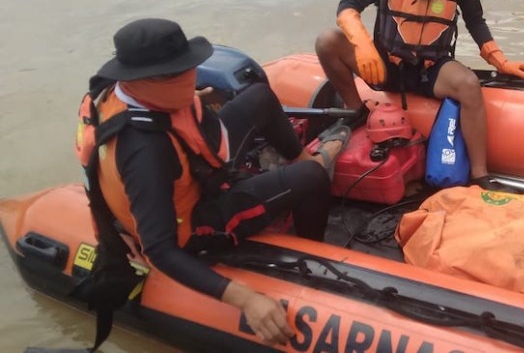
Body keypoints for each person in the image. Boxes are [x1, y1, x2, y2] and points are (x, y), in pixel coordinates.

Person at [84, 18, 350, 346]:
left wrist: (199, 101)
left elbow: (182, 128)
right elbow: (161, 249)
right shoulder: (145, 151)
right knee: (313, 178)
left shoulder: (124, 92)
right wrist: (245, 299)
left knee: (259, 97)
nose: (191, 75)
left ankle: (303, 161)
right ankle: (315, 262)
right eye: (182, 71)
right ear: (152, 79)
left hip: (197, 169)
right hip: (194, 222)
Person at [314, 0, 524, 192]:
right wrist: (364, 45)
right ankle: (355, 109)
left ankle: (480, 174)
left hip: (431, 69)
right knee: (327, 41)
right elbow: (348, 7)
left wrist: (500, 61)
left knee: (468, 84)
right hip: (386, 66)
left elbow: (475, 20)